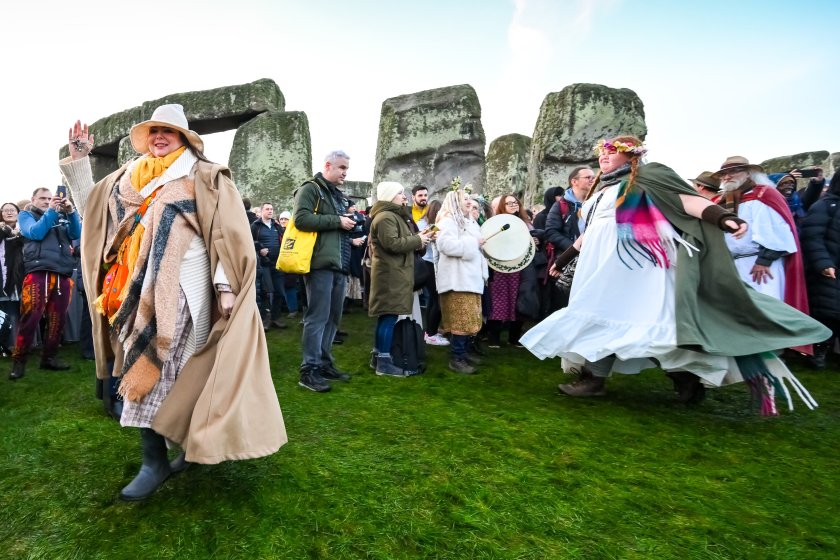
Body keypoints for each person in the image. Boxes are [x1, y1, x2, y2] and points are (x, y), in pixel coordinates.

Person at [59, 104, 286, 500]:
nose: (159, 137)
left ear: (184, 138)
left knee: (185, 374)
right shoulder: (130, 177)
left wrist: (225, 286)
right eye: (153, 131)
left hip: (188, 292)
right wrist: (79, 161)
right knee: (147, 369)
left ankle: (189, 446)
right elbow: (94, 212)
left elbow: (228, 234)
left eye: (168, 131)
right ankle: (154, 461)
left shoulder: (204, 176)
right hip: (136, 293)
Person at [520, 135, 829, 414]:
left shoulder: (650, 176)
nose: (604, 155)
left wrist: (724, 219)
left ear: (632, 155)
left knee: (650, 324)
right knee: (597, 316)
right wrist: (564, 259)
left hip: (637, 268)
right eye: (602, 151)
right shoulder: (603, 189)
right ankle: (593, 380)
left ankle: (684, 377)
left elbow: (687, 201)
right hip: (600, 267)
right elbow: (592, 232)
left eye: (612, 151)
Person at [710, 157, 810, 336]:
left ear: (749, 173)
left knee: (767, 309)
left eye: (734, 171)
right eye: (724, 173)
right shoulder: (722, 200)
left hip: (761, 264)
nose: (727, 176)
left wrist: (764, 260)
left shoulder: (764, 194)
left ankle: (772, 347)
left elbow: (777, 230)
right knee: (738, 311)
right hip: (732, 264)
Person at [293, 150, 355, 392]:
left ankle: (323, 363)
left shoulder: (335, 194)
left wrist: (347, 221)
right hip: (319, 263)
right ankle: (309, 370)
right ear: (328, 166)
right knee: (317, 317)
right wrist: (337, 220)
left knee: (333, 317)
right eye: (342, 167)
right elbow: (301, 220)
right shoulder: (311, 188)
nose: (345, 173)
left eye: (347, 168)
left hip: (338, 263)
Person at [8, 188, 81, 380]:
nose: (47, 201)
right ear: (33, 199)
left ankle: (49, 358)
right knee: (30, 318)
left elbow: (76, 234)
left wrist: (71, 212)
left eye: (50, 198)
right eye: (42, 198)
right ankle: (19, 361)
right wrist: (51, 211)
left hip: (62, 272)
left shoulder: (62, 216)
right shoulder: (26, 215)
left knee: (58, 319)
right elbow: (36, 233)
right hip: (38, 272)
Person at [368, 181, 431, 376]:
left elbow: (398, 241)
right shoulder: (386, 217)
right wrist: (418, 239)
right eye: (400, 193)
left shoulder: (391, 215)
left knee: (386, 316)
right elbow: (393, 244)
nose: (404, 197)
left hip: (393, 273)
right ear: (390, 195)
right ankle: (384, 362)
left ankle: (378, 357)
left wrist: (420, 237)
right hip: (390, 274)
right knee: (389, 316)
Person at [435, 189, 488, 373]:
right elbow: (445, 245)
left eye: (469, 198)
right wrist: (474, 244)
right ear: (455, 202)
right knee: (460, 320)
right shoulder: (448, 221)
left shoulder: (469, 222)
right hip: (457, 279)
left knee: (470, 318)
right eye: (464, 199)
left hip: (469, 278)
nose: (469, 201)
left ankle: (463, 353)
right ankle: (456, 358)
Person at [799, 170, 840, 368]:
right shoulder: (825, 205)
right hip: (830, 267)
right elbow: (812, 236)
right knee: (828, 312)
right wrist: (823, 263)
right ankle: (818, 351)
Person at [486, 194, 531, 348]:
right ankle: (494, 337)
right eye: (508, 203)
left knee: (518, 301)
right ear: (502, 206)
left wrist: (534, 240)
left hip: (520, 268)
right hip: (500, 267)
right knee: (498, 301)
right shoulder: (495, 223)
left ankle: (514, 337)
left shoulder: (525, 223)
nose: (513, 205)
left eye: (515, 202)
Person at [251, 202, 287, 329]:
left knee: (279, 291)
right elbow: (249, 241)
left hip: (277, 263)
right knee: (266, 292)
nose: (270, 211)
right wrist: (259, 249)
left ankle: (275, 317)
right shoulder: (255, 226)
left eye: (271, 209)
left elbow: (284, 239)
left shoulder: (277, 226)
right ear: (261, 211)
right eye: (267, 209)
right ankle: (265, 319)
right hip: (263, 264)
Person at [0, 202, 23, 356]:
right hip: (3, 277)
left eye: (12, 210)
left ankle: (18, 345)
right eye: (5, 210)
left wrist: (14, 233)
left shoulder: (24, 229)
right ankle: (7, 345)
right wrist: (5, 230)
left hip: (21, 277)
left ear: (18, 213)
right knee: (6, 312)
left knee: (18, 313)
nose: (9, 212)